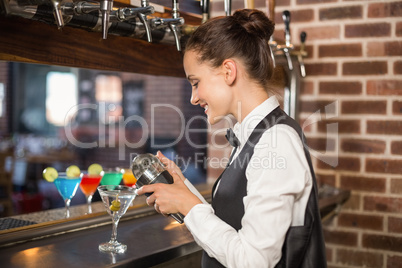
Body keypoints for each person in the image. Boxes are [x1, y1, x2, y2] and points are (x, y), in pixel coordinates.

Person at [136, 9, 327, 268]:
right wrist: (185, 192)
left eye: (195, 82)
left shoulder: (277, 142)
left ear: (228, 71)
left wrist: (191, 207)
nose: (193, 98)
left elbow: (254, 261)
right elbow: (236, 226)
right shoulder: (256, 136)